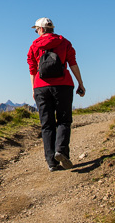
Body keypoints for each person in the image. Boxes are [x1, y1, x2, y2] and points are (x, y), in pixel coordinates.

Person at [27, 17, 85, 172]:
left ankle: (52, 162)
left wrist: (34, 88)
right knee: (64, 120)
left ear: (41, 29)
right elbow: (72, 63)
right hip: (63, 86)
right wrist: (80, 83)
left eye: (36, 30)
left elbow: (32, 69)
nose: (36, 33)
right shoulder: (65, 42)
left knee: (47, 124)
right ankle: (61, 150)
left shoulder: (34, 46)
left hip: (41, 87)